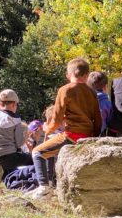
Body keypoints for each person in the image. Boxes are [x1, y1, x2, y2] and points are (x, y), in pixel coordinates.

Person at [31, 58, 102, 196]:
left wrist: (48, 129)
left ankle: (44, 187)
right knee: (49, 152)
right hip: (88, 136)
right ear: (87, 75)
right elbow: (98, 118)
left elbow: (57, 118)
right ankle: (51, 185)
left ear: (68, 75)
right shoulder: (92, 92)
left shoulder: (65, 90)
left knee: (38, 152)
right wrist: (95, 137)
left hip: (72, 135)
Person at [0, 89, 32, 181]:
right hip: (9, 156)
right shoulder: (15, 119)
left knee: (3, 169)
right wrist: (26, 136)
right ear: (13, 104)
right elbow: (19, 143)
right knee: (33, 160)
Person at [87, 71, 111, 136]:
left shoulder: (84, 102)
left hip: (85, 134)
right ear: (105, 87)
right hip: (101, 135)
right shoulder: (108, 104)